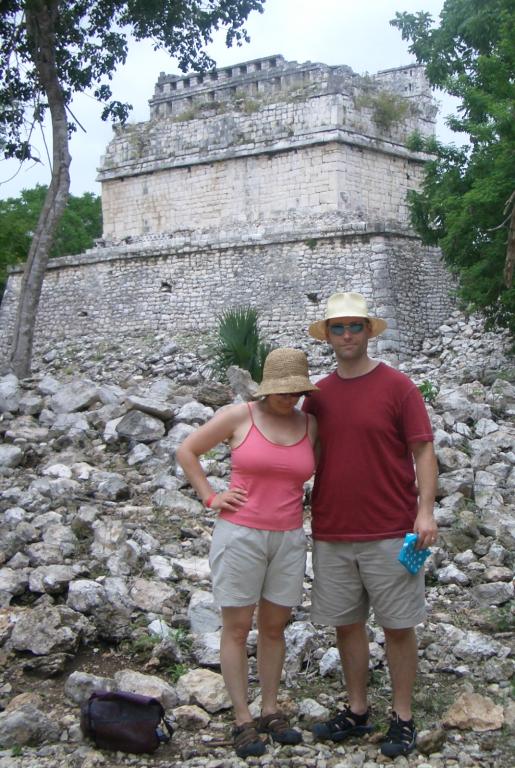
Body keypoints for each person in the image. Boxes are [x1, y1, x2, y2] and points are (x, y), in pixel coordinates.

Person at [303, 291, 438, 758]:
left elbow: (423, 450)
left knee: (399, 626)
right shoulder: (316, 397)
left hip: (391, 529)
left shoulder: (399, 387)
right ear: (327, 336)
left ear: (368, 331)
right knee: (347, 624)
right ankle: (357, 709)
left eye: (354, 326)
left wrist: (425, 510)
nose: (347, 335)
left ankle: (403, 716)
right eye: (338, 328)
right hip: (332, 530)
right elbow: (303, 455)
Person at [176, 347, 318, 759]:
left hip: (289, 537)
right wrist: (211, 496)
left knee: (274, 627)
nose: (289, 397)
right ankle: (242, 718)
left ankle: (270, 709)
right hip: (240, 534)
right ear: (267, 387)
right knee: (236, 628)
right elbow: (187, 451)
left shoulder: (310, 425)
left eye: (296, 391)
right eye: (283, 390)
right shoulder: (240, 416)